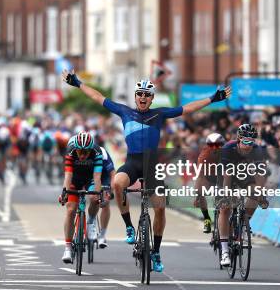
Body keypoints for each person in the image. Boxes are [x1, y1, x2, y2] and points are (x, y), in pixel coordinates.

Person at [62, 69, 231, 273]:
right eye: (139, 94)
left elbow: (187, 108)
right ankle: (129, 227)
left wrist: (213, 98)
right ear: (135, 97)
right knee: (117, 183)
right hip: (132, 162)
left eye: (147, 94)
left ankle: (156, 252)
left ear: (152, 99)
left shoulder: (159, 114)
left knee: (160, 208)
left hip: (152, 166)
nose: (143, 97)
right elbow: (98, 97)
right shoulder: (125, 111)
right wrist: (78, 82)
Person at [218, 124, 268, 267]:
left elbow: (261, 174)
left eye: (251, 141)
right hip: (227, 175)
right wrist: (226, 195)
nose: (248, 145)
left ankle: (243, 224)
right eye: (246, 141)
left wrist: (260, 194)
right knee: (225, 208)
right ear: (239, 139)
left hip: (245, 176)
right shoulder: (228, 148)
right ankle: (225, 251)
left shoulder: (257, 150)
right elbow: (226, 175)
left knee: (255, 195)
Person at [58, 132, 103, 263]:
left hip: (90, 179)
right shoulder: (70, 150)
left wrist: (98, 194)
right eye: (80, 151)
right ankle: (67, 247)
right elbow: (68, 175)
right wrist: (64, 193)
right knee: (71, 209)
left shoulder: (97, 151)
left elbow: (97, 177)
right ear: (75, 148)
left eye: (86, 152)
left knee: (95, 198)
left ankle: (91, 221)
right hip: (75, 179)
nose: (82, 155)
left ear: (91, 150)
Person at [194, 132, 226, 233]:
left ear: (222, 145)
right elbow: (199, 175)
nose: (214, 148)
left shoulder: (228, 151)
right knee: (199, 190)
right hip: (208, 176)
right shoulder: (204, 155)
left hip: (223, 176)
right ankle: (207, 219)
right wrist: (198, 196)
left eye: (217, 145)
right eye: (211, 145)